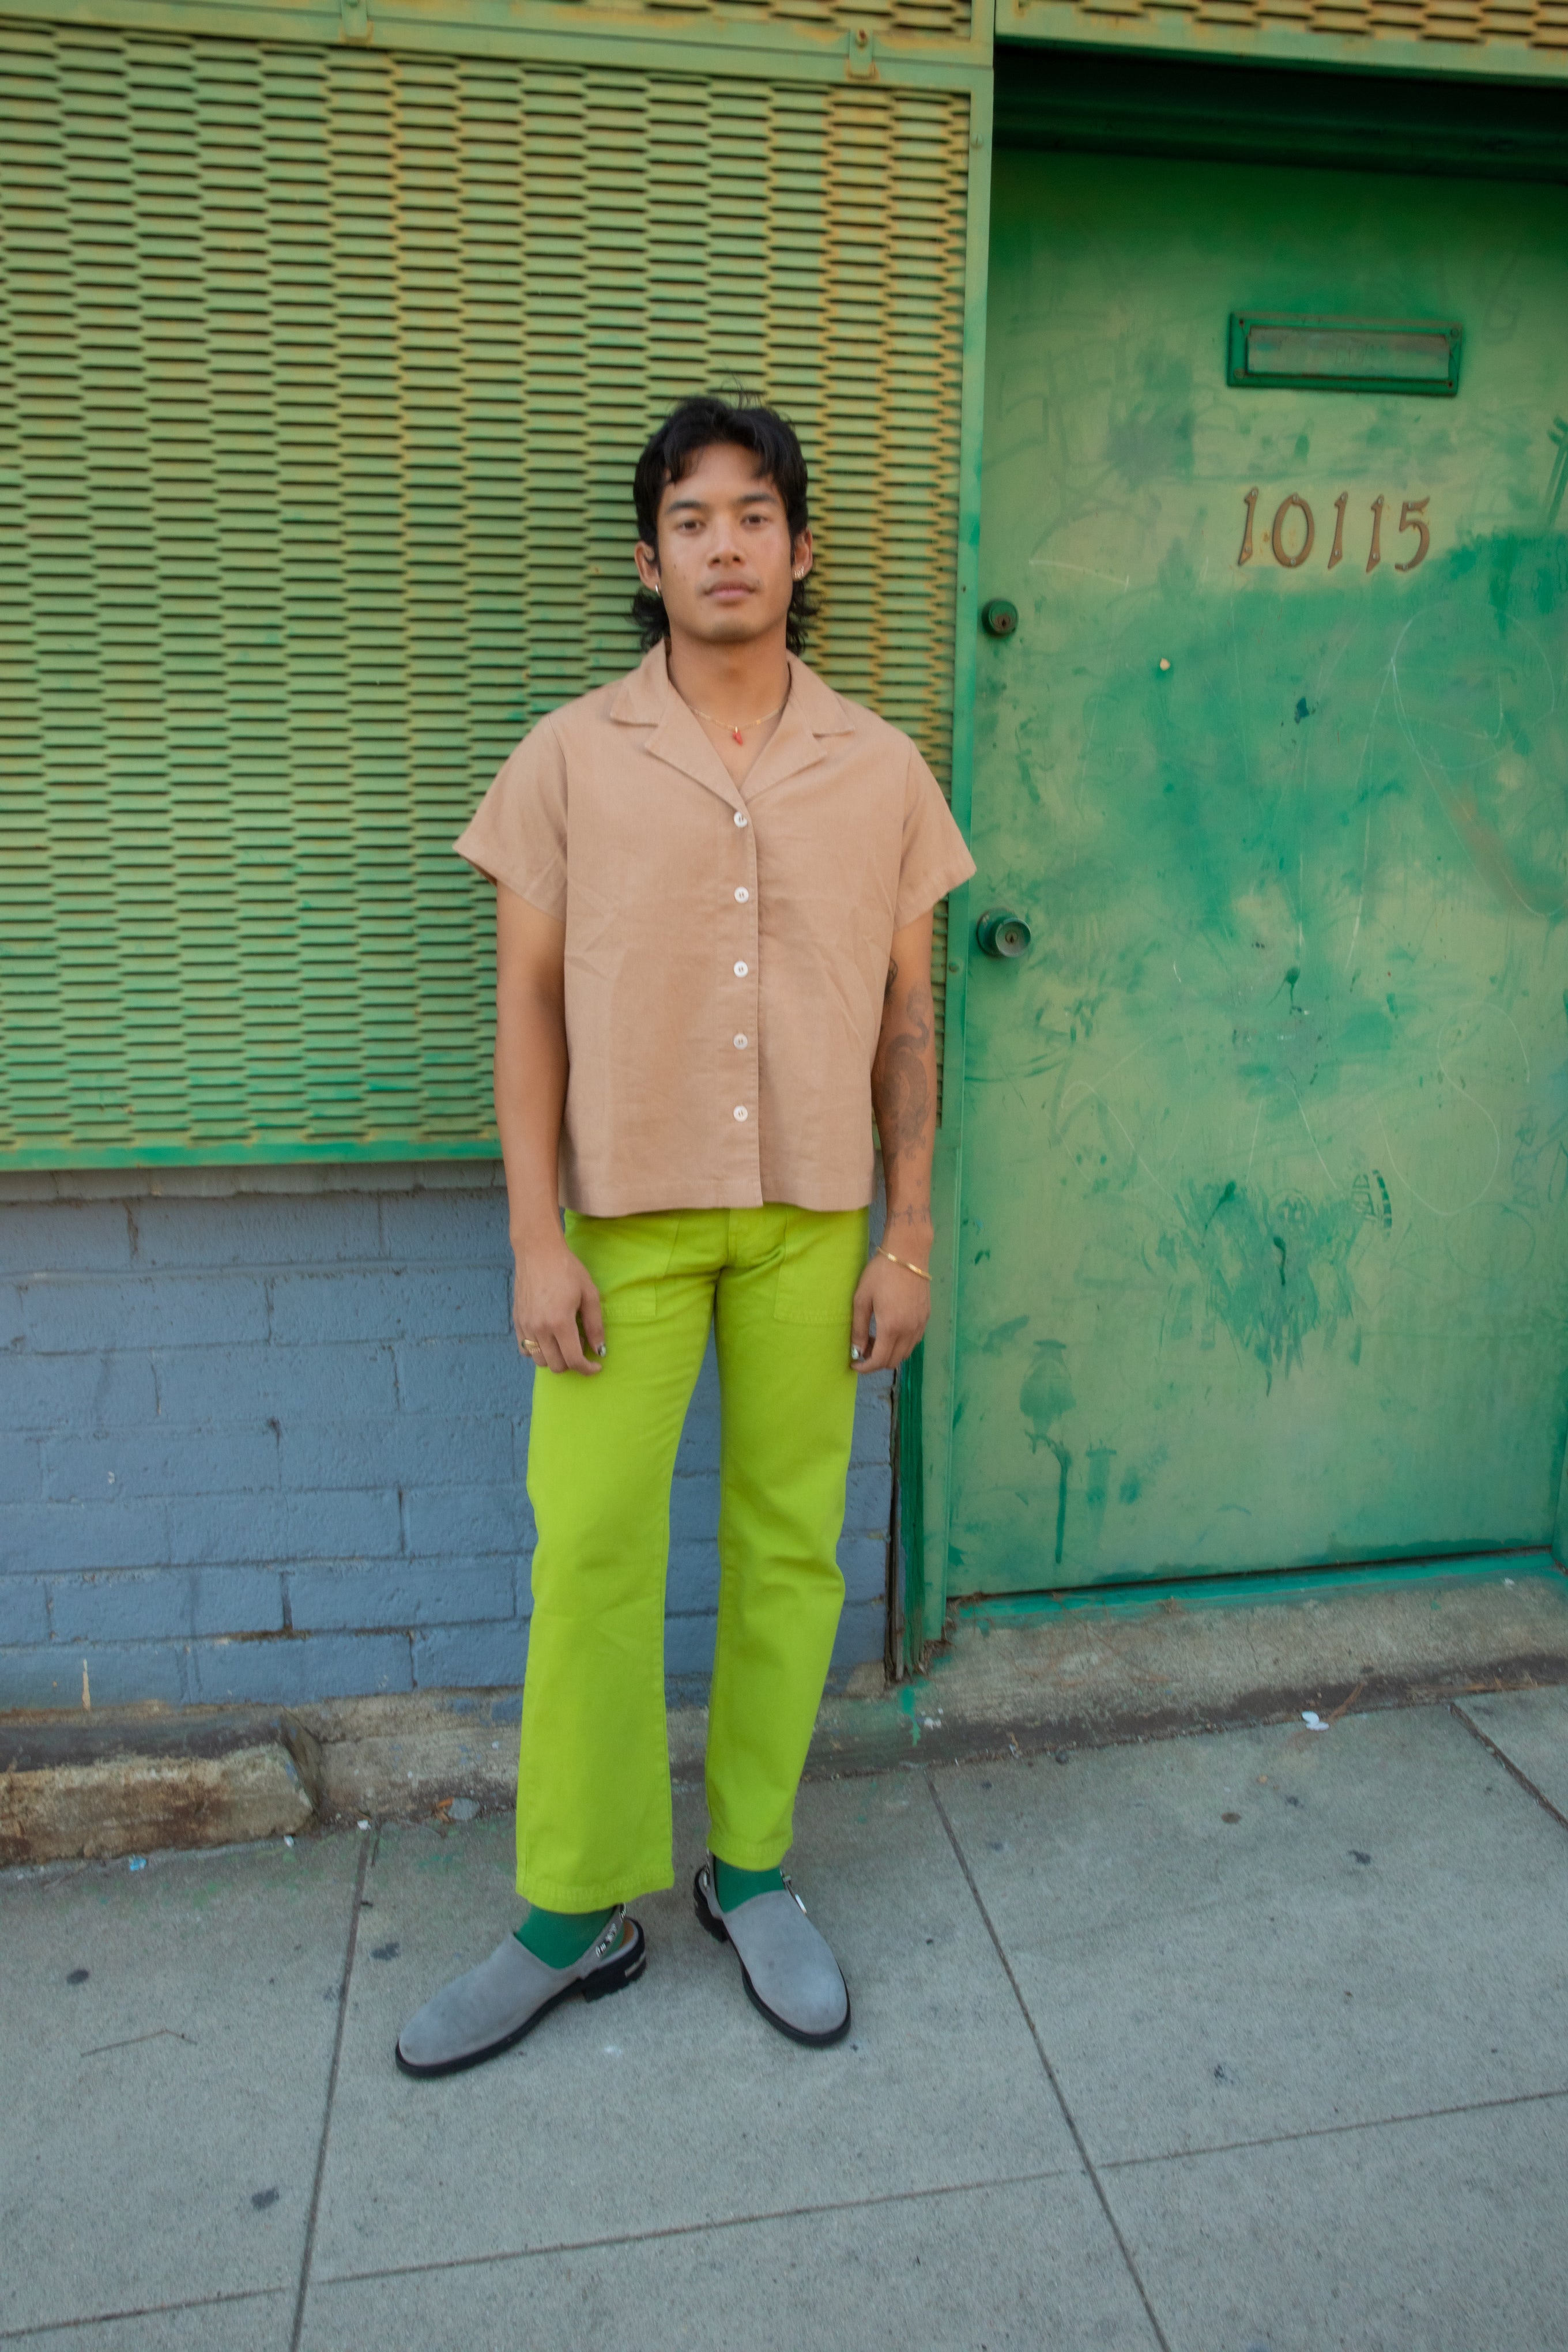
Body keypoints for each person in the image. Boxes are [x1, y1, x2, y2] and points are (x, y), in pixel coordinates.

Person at [396, 394, 975, 2076]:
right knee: (588, 1558)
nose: (724, 545)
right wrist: (532, 1237)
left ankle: (756, 1870)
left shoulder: (877, 767)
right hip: (622, 1227)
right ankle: (573, 1914)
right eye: (690, 520)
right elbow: (522, 1010)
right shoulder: (571, 755)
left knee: (794, 1547)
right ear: (648, 560)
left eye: (754, 515)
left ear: (801, 547)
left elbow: (908, 1024)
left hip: (815, 1222)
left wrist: (909, 1233)